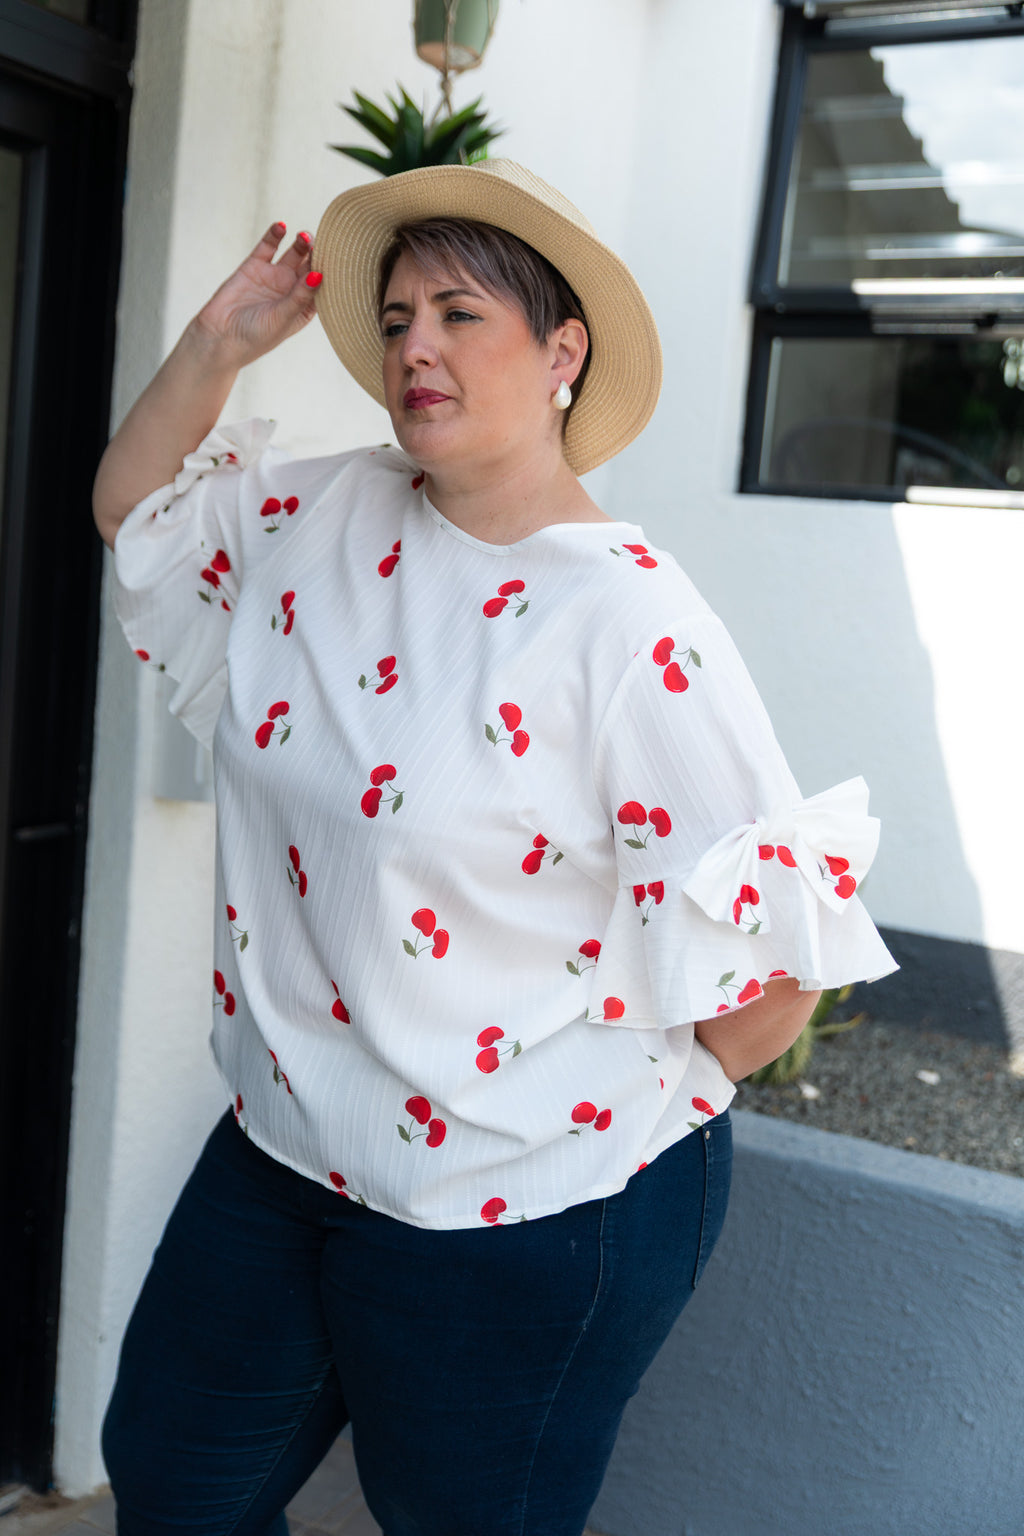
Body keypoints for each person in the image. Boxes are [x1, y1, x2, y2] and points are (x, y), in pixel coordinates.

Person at [95, 159, 896, 1536]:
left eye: (461, 314)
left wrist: (571, 1096)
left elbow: (773, 978)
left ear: (562, 350)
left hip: (527, 1199)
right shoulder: (316, 515)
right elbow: (135, 508)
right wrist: (220, 340)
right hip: (287, 1145)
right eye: (399, 317)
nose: (416, 346)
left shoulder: (632, 628)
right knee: (175, 1481)